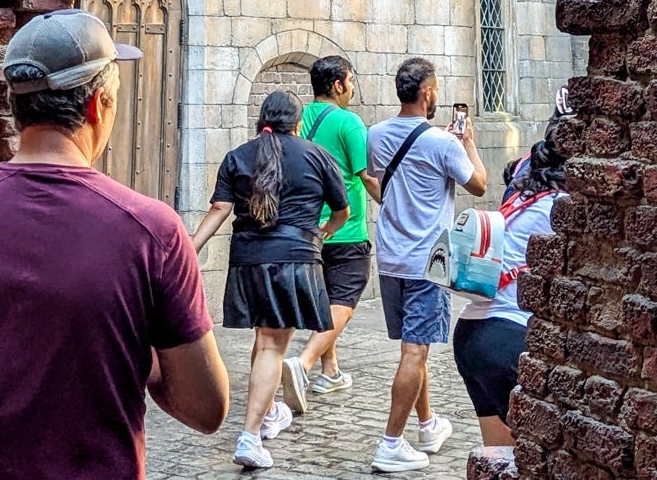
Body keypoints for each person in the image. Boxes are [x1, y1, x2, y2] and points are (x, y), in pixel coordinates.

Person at [0, 8, 229, 480]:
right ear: (100, 104)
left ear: (14, 105)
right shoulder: (153, 232)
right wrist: (125, 355)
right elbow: (205, 408)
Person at [190, 91, 350, 470]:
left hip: (248, 260)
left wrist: (189, 247)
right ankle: (249, 435)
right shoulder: (316, 155)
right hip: (294, 258)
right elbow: (343, 210)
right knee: (272, 346)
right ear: (297, 123)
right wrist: (324, 230)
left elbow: (219, 209)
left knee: (266, 340)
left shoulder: (238, 157)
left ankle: (270, 410)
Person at [366, 57, 487, 473]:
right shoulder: (443, 143)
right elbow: (480, 184)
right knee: (416, 351)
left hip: (391, 258)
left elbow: (384, 180)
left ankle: (428, 424)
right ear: (428, 93)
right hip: (427, 261)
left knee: (411, 349)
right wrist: (468, 141)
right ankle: (390, 443)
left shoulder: (375, 135)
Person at [453, 117, 568, 446]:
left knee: (496, 456)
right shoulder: (561, 208)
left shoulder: (523, 198)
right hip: (508, 337)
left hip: (471, 334)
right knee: (541, 453)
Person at [283, 55, 380, 413]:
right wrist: (393, 205)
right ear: (338, 84)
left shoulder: (297, 119)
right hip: (344, 229)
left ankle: (331, 370)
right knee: (344, 302)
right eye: (351, 81)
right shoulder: (349, 123)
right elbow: (367, 175)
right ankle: (304, 363)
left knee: (324, 300)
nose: (352, 88)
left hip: (305, 230)